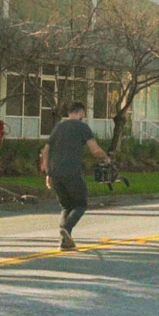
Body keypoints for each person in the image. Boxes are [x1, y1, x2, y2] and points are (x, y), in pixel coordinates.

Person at [41, 102, 109, 251]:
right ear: (81, 113)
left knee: (66, 207)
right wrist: (106, 158)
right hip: (71, 172)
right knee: (80, 204)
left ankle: (65, 241)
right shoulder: (82, 127)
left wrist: (48, 173)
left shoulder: (59, 126)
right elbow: (95, 150)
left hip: (55, 173)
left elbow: (45, 150)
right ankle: (65, 228)